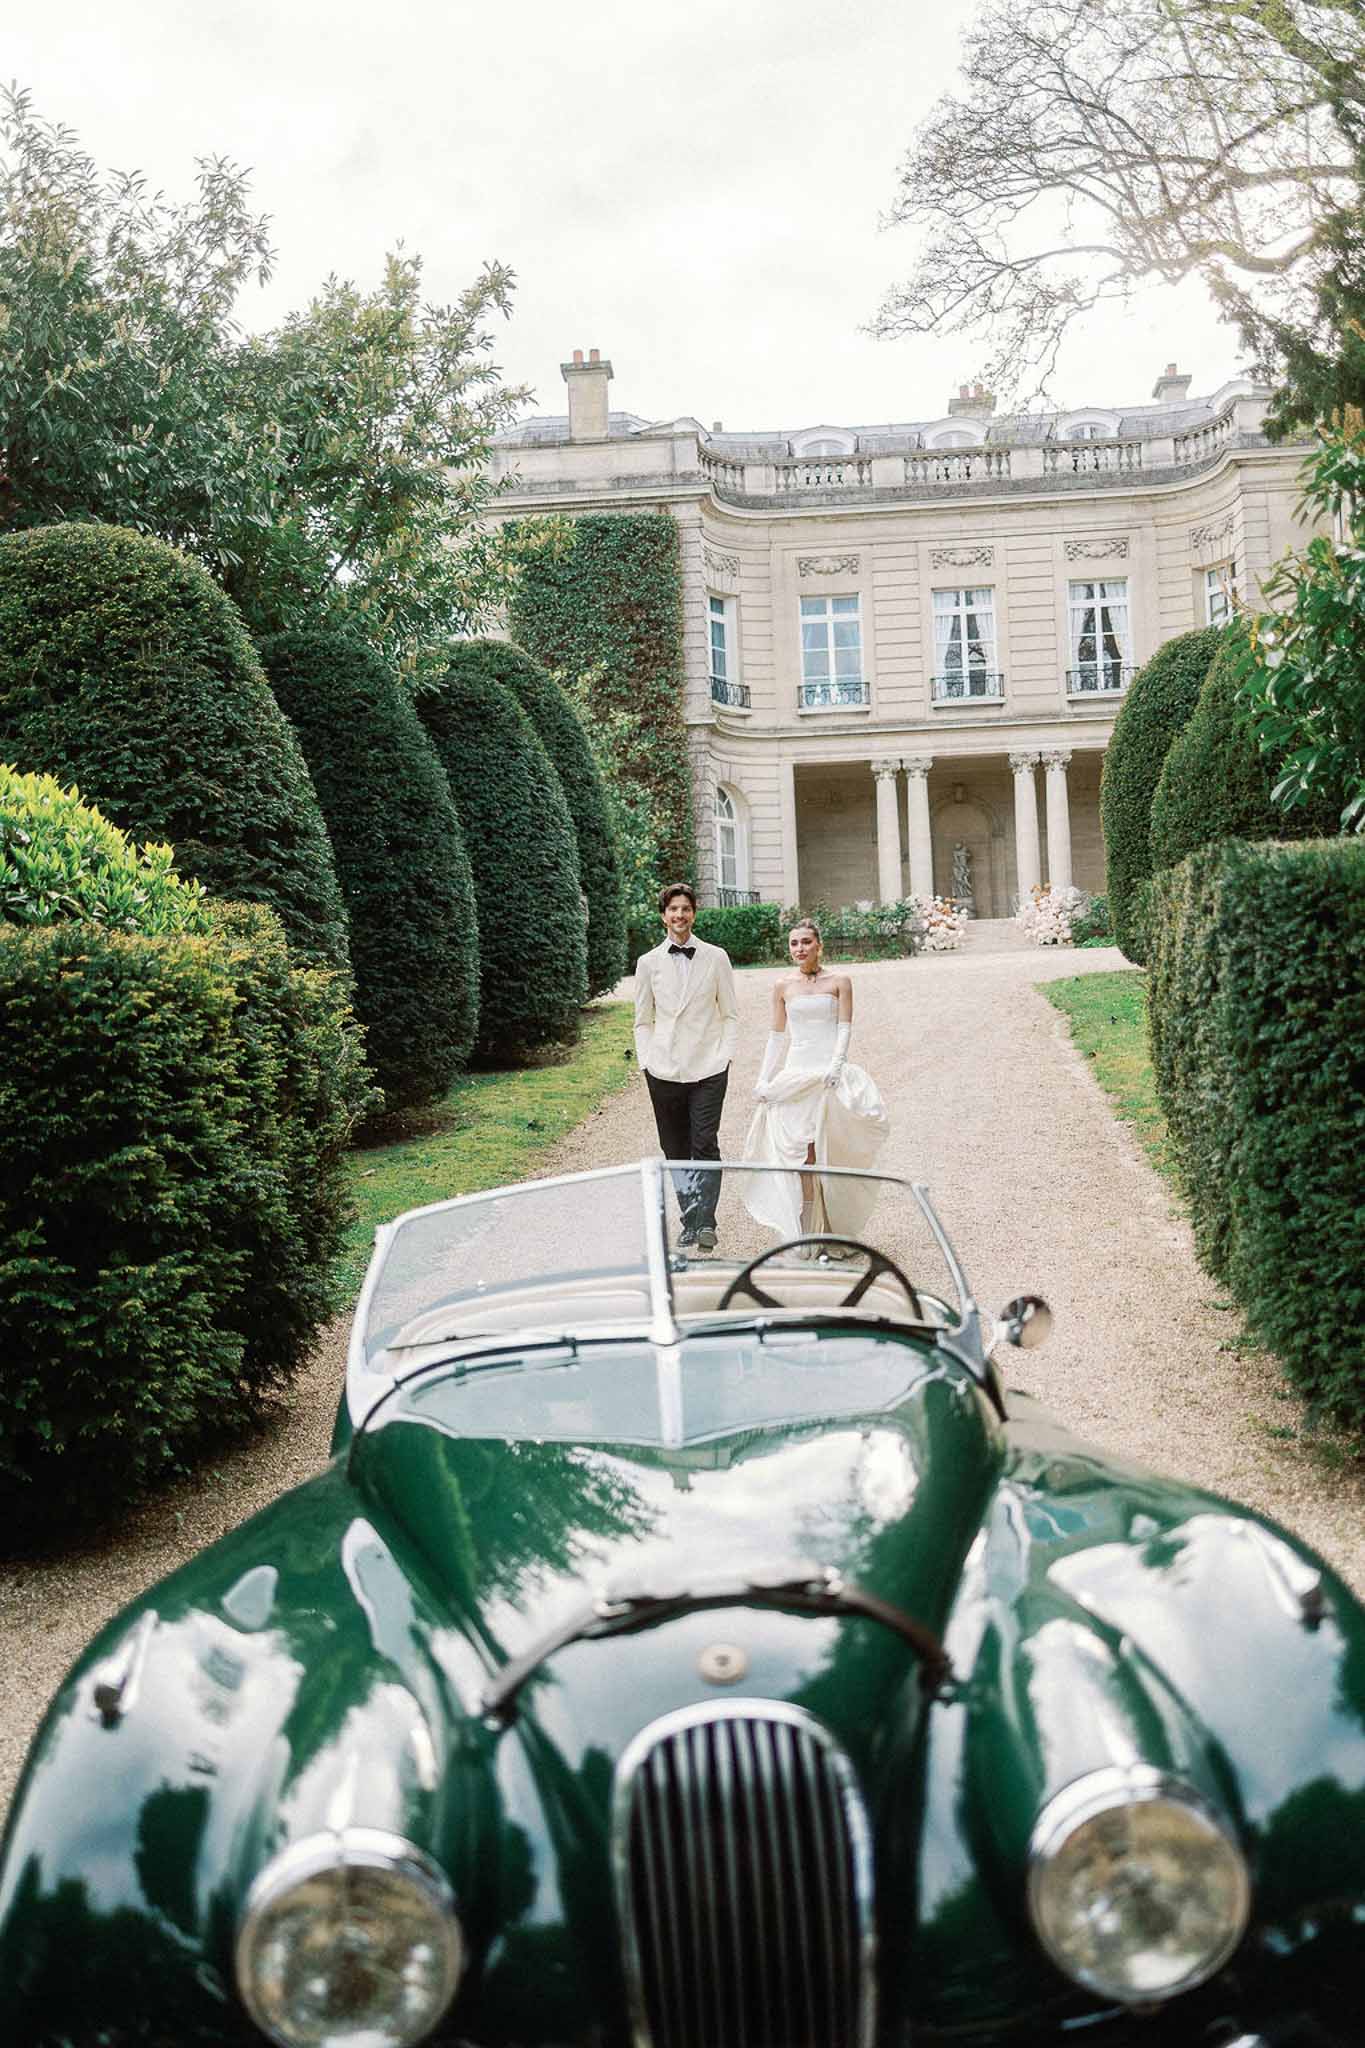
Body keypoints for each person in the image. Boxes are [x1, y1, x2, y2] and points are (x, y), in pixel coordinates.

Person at [741, 917, 889, 1245]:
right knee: (800, 1154)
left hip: (827, 1075)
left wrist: (836, 1066)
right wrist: (764, 1078)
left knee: (826, 1150)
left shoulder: (840, 982)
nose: (799, 949)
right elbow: (777, 1036)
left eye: (806, 942)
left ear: (819, 945)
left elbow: (844, 1027)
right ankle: (805, 1233)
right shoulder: (783, 986)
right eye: (794, 943)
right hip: (796, 1073)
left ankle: (831, 1230)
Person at [633, 882, 739, 1249]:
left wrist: (724, 1055)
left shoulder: (716, 957)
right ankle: (690, 1219)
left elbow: (730, 1013)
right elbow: (642, 1020)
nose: (680, 915)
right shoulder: (648, 963)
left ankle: (706, 1220)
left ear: (694, 913)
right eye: (673, 909)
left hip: (709, 1068)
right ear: (664, 916)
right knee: (675, 1148)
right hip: (663, 1070)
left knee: (705, 1142)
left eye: (686, 908)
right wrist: (646, 1059)